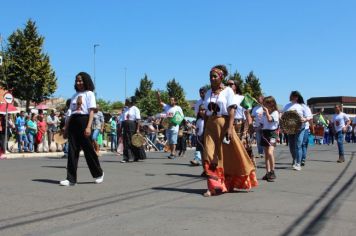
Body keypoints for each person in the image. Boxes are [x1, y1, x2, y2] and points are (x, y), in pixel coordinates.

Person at [202, 65, 258, 197]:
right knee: (209, 155)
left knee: (226, 156)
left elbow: (231, 110)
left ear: (221, 77)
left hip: (224, 123)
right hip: (210, 125)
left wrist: (229, 128)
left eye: (215, 76)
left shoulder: (228, 91)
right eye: (210, 76)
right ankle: (212, 187)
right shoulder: (208, 92)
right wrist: (204, 128)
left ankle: (228, 183)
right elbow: (205, 112)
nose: (212, 78)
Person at [60, 72, 104, 186]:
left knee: (89, 150)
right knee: (72, 151)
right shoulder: (74, 96)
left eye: (81, 80)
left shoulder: (89, 94)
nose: (78, 83)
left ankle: (98, 173)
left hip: (84, 121)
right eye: (77, 81)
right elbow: (69, 113)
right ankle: (71, 179)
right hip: (73, 122)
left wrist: (89, 126)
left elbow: (91, 111)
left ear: (86, 81)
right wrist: (66, 128)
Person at [282, 91, 309, 171]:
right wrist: (283, 126)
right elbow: (283, 117)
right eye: (292, 96)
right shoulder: (287, 106)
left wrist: (305, 119)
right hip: (290, 128)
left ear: (297, 97)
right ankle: (295, 159)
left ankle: (298, 163)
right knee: (291, 146)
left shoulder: (302, 106)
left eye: (295, 96)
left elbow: (309, 116)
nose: (293, 97)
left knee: (298, 145)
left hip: (300, 128)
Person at [157, 93, 184, 159]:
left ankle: (173, 153)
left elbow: (182, 117)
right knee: (170, 140)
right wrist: (158, 96)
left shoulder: (178, 108)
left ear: (175, 101)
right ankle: (172, 152)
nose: (170, 101)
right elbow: (160, 102)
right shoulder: (167, 106)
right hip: (167, 126)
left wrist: (177, 123)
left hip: (174, 126)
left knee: (173, 140)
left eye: (172, 100)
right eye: (170, 100)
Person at [121, 96, 146, 162]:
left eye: (127, 101)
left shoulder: (135, 109)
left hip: (133, 127)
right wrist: (121, 128)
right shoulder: (125, 110)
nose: (125, 102)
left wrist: (137, 129)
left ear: (131, 102)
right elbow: (123, 120)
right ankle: (126, 157)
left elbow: (138, 120)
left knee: (134, 142)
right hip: (126, 127)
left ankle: (137, 156)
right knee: (126, 142)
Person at [260, 96, 279, 182]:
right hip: (265, 133)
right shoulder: (263, 113)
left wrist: (267, 112)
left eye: (266, 104)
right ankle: (267, 172)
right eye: (263, 104)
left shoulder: (275, 113)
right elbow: (262, 124)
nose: (264, 105)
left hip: (272, 134)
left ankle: (272, 171)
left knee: (270, 152)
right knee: (266, 155)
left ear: (271, 104)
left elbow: (270, 120)